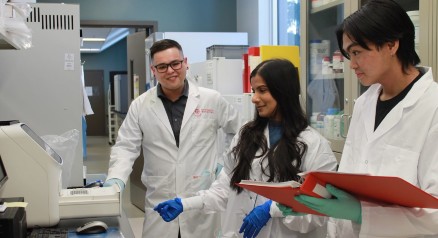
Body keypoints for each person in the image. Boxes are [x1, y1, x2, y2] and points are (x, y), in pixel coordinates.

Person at [294, 0, 438, 237]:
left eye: (357, 52)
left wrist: (363, 214)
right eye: (349, 54)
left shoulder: (432, 106)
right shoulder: (363, 104)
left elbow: (434, 213)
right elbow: (349, 179)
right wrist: (312, 202)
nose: (352, 65)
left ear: (391, 45)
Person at [154, 59, 338, 237]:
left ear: (284, 92)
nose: (254, 98)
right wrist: (185, 204)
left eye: (262, 90)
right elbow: (225, 188)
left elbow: (318, 210)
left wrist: (274, 209)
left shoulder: (314, 145)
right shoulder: (246, 135)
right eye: (253, 90)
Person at [103, 39, 241, 238]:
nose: (170, 71)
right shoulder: (141, 105)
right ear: (153, 70)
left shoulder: (211, 99)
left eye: (175, 63)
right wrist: (116, 179)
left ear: (185, 63)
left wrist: (224, 163)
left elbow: (239, 133)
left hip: (200, 200)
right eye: (162, 66)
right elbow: (125, 147)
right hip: (160, 201)